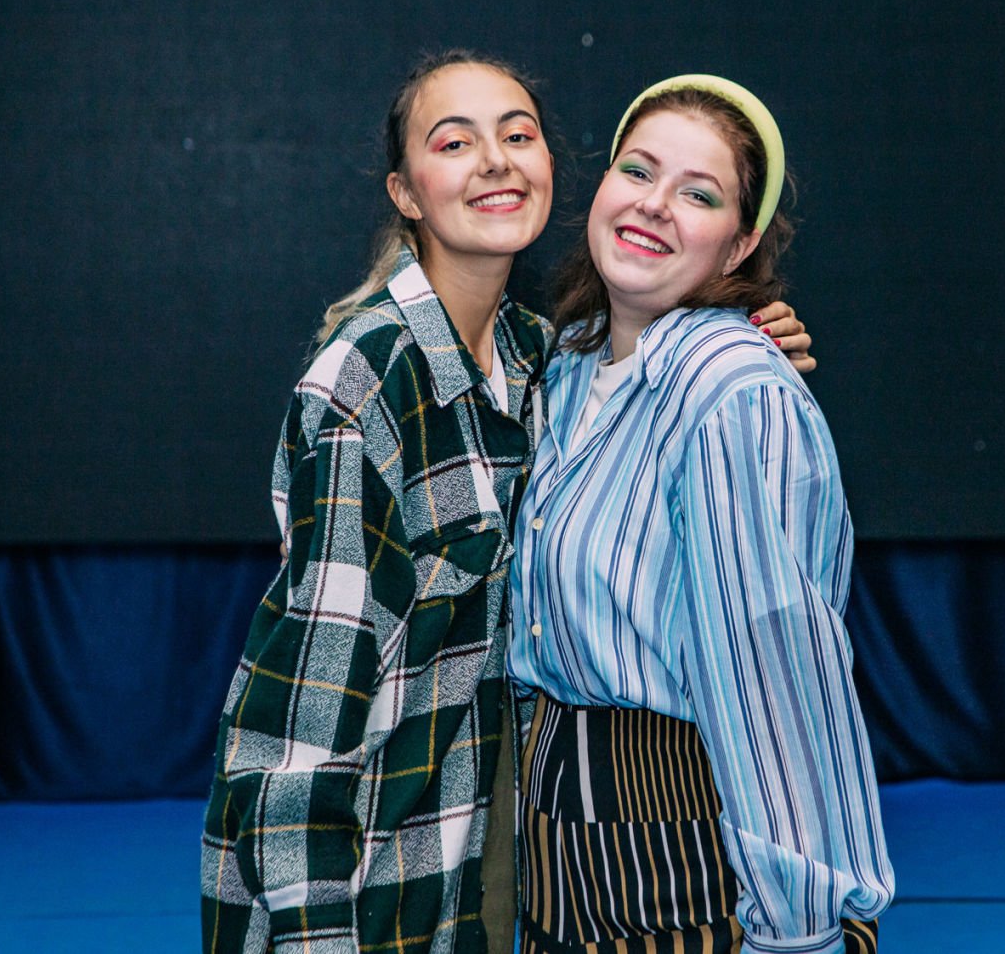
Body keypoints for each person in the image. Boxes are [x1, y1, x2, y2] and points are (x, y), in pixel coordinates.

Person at [201, 52, 815, 954]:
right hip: (355, 891)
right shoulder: (365, 387)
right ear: (406, 193)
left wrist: (746, 331)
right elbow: (302, 723)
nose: (495, 159)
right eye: (455, 143)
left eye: (518, 134)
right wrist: (311, 931)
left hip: (476, 881)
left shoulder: (545, 361)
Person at [507, 76, 894, 954]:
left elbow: (773, 678)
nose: (654, 205)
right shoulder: (566, 368)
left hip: (680, 856)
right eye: (638, 171)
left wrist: (797, 928)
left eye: (699, 194)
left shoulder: (733, 392)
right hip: (559, 861)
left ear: (739, 245)